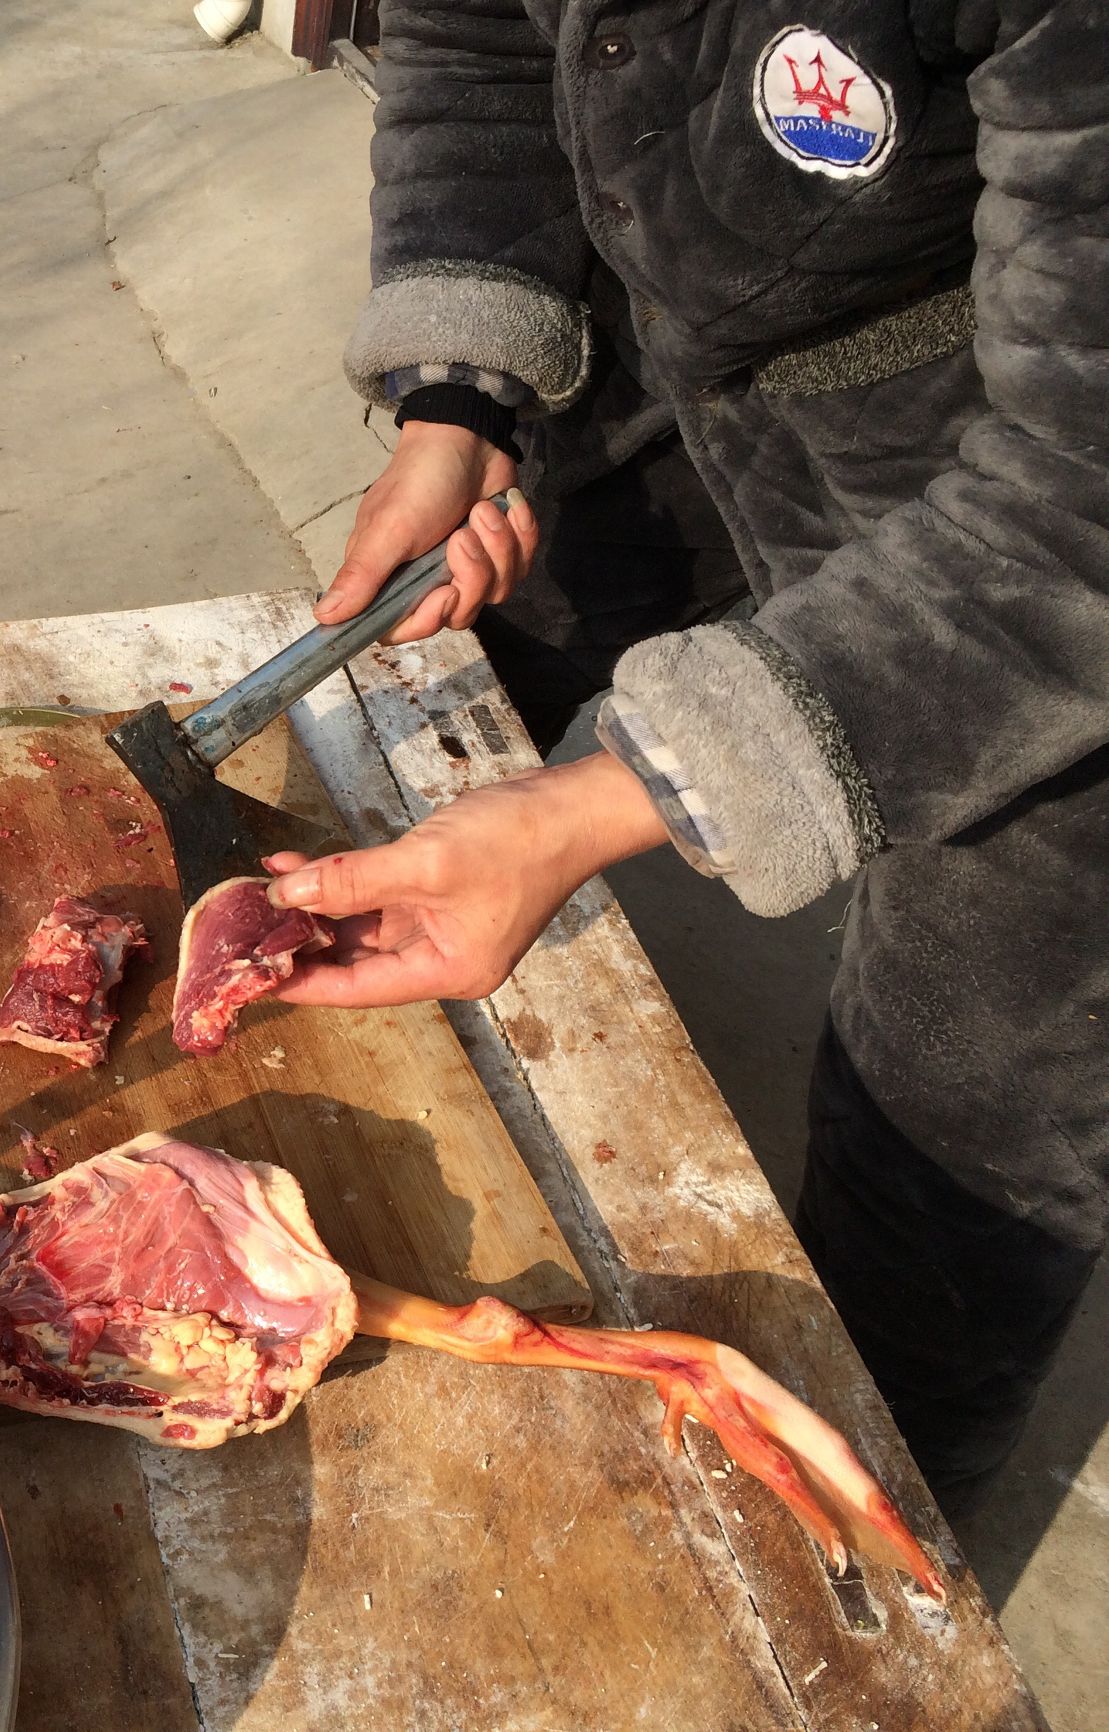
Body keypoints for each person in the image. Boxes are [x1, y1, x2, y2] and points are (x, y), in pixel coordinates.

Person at [272, 0, 1108, 1512]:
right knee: (487, 662)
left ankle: (878, 1516)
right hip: (704, 368)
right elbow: (477, 43)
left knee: (971, 1086)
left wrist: (621, 794)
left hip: (1026, 487)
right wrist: (458, 399)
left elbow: (1083, 504)